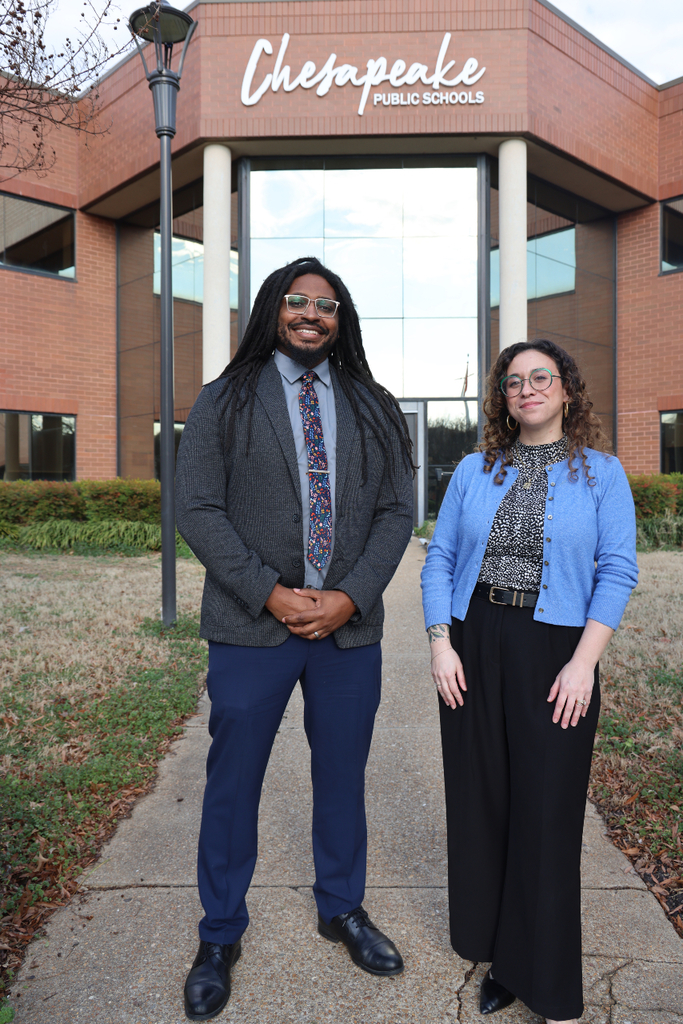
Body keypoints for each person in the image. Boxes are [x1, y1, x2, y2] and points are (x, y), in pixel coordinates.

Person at [175, 256, 414, 1021]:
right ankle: (219, 934)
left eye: (328, 305)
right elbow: (197, 508)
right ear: (273, 309)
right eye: (297, 301)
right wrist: (270, 593)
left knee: (342, 777)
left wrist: (349, 597)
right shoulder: (226, 397)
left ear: (342, 319)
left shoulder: (372, 403)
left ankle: (341, 908)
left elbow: (395, 512)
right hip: (251, 629)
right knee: (232, 785)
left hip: (348, 633)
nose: (312, 314)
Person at [421, 339, 638, 1024]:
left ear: (565, 390)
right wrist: (439, 643)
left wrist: (583, 661)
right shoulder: (472, 470)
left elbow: (616, 570)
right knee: (482, 800)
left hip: (555, 651)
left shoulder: (601, 473)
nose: (526, 389)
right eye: (513, 381)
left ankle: (540, 976)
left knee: (545, 814)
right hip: (474, 642)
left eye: (539, 377)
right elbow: (440, 559)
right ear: (502, 398)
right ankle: (494, 953)